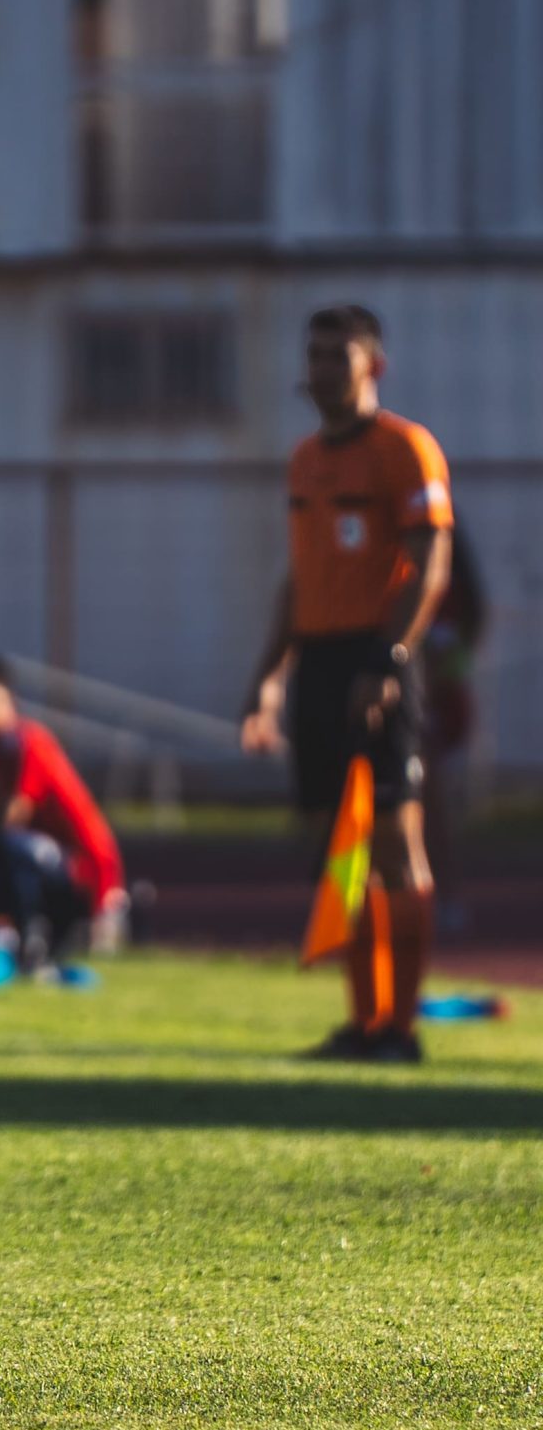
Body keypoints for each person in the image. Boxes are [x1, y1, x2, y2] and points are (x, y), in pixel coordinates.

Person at [239, 305, 453, 1065]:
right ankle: (365, 1024)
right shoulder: (306, 461)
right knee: (343, 849)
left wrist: (390, 658)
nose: (324, 367)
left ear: (374, 366)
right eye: (316, 353)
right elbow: (300, 579)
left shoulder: (405, 450)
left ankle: (401, 1027)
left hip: (377, 658)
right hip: (321, 664)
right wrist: (270, 677)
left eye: (341, 353)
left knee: (396, 843)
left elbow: (431, 563)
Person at [0, 653, 125, 989]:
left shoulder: (29, 743)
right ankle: (4, 942)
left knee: (7, 845)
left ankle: (34, 951)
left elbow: (12, 813)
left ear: (7, 701)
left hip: (83, 876)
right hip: (35, 873)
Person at [422, 526, 487, 937]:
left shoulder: (452, 592)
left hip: (436, 704)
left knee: (430, 803)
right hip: (419, 699)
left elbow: (449, 653)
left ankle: (445, 894)